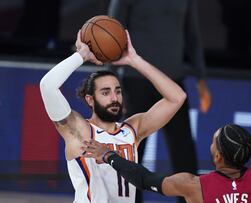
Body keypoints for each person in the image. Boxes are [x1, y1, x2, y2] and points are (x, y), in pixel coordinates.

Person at [82, 28, 251, 203]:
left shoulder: (194, 187)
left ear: (217, 155)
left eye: (214, 141)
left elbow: (145, 179)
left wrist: (109, 156)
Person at [39, 30, 187, 202]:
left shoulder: (132, 130)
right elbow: (47, 86)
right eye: (105, 92)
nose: (114, 98)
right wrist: (81, 55)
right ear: (90, 99)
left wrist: (135, 61)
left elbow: (177, 97)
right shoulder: (79, 130)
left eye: (118, 91)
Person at [107, 1, 211, 202]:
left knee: (185, 156)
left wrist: (201, 79)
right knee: (131, 153)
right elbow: (110, 35)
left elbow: (192, 35)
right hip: (135, 82)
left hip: (172, 83)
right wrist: (112, 83)